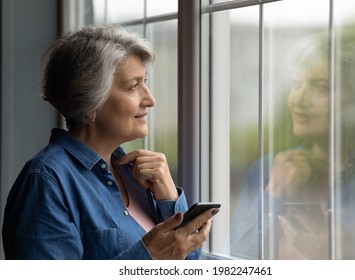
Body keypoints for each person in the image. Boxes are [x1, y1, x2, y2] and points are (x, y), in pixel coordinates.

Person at [2, 24, 219, 260]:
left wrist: (169, 200)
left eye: (145, 81)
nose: (150, 99)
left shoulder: (138, 175)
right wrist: (149, 259)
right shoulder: (46, 181)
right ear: (91, 102)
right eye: (133, 86)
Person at [231, 33, 355, 259]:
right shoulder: (265, 170)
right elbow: (232, 262)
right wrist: (272, 194)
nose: (298, 100)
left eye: (321, 88)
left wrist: (344, 253)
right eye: (296, 83)